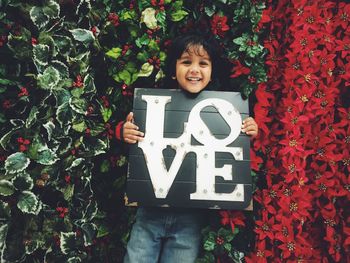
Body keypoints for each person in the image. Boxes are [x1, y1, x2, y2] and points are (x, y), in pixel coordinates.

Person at [115, 34, 259, 263]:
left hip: (190, 219)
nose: (194, 70)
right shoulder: (153, 104)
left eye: (203, 63)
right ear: (173, 69)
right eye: (186, 62)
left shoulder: (225, 112)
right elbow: (132, 136)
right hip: (150, 214)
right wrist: (124, 131)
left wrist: (248, 130)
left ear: (212, 73)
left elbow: (231, 150)